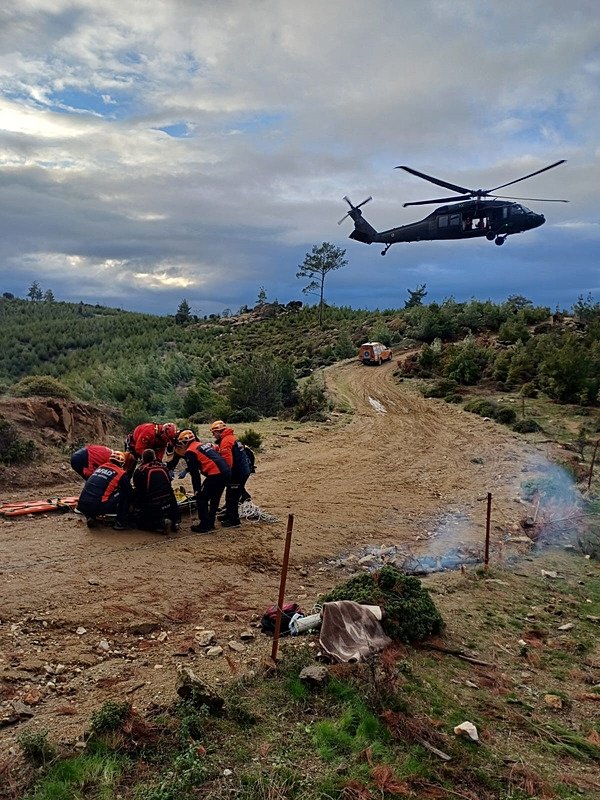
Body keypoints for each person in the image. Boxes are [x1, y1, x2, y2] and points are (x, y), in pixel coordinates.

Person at [176, 430, 231, 533]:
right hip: (225, 471)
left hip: (215, 474)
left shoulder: (190, 451)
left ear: (184, 442)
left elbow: (195, 474)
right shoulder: (200, 445)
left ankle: (204, 525)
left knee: (201, 498)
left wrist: (196, 489)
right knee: (215, 498)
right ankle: (210, 522)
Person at [209, 420, 251, 528]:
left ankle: (234, 521)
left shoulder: (225, 441)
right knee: (231, 493)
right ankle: (229, 515)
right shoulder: (231, 438)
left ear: (218, 431)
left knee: (233, 496)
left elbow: (227, 462)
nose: (213, 435)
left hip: (237, 472)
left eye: (214, 433)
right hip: (242, 470)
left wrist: (224, 476)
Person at [76, 450, 132, 530]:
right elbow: (128, 491)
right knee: (123, 493)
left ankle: (91, 516)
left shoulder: (101, 467)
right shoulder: (120, 473)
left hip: (82, 504)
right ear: (122, 463)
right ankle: (121, 522)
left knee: (101, 491)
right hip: (98, 505)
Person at [133, 449, 180, 534]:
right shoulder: (163, 467)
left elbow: (138, 489)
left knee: (139, 522)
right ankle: (175, 522)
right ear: (154, 457)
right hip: (169, 499)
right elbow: (169, 482)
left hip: (153, 502)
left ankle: (160, 525)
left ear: (143, 459)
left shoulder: (140, 470)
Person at [71, 445, 135, 480]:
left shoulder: (114, 453)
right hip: (81, 458)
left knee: (94, 481)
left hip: (80, 453)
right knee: (94, 481)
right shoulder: (115, 459)